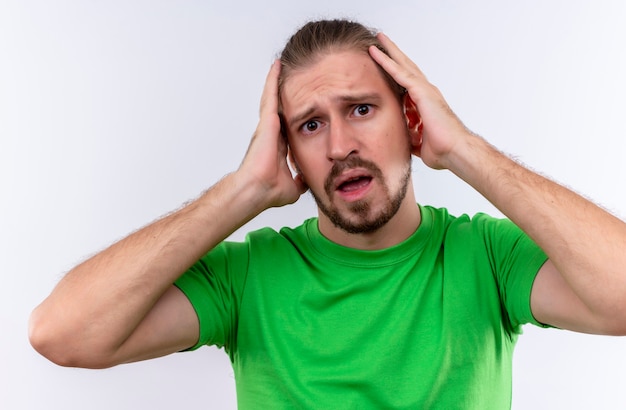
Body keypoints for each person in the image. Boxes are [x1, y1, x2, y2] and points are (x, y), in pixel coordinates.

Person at [29, 19, 626, 409]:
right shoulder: (248, 278)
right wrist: (244, 190)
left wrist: (463, 149)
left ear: (411, 118)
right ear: (288, 148)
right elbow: (61, 334)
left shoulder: (487, 259)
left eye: (361, 109)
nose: (339, 145)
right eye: (310, 125)